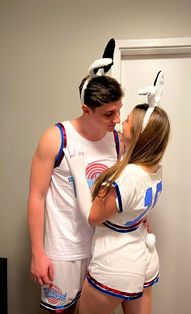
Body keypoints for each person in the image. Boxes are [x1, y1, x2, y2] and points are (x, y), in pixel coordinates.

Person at [64, 71, 170, 314]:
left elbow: (92, 216)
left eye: (128, 121)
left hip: (116, 263)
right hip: (144, 255)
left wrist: (79, 174)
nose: (120, 122)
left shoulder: (128, 176)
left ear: (140, 135)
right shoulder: (154, 168)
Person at [27, 55, 124, 313]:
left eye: (119, 110)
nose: (117, 119)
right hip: (63, 249)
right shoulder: (56, 137)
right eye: (109, 113)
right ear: (86, 109)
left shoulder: (116, 141)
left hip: (103, 247)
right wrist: (38, 253)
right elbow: (36, 197)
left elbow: (125, 191)